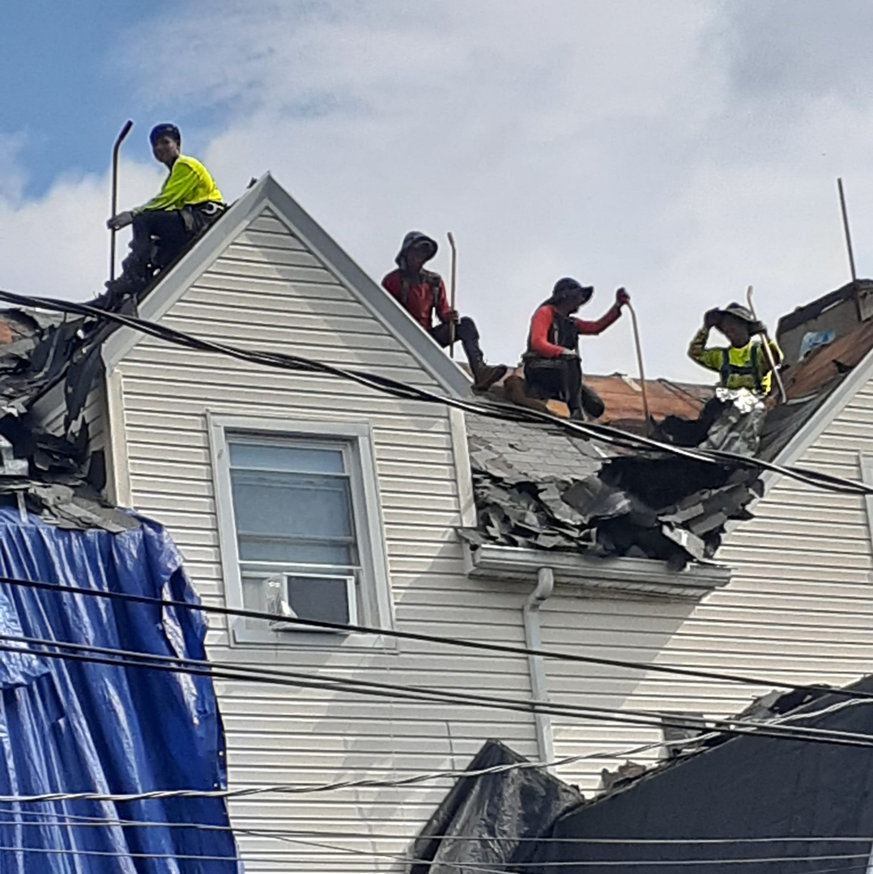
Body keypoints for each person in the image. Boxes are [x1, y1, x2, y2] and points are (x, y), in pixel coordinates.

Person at [105, 124, 225, 298]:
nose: (159, 148)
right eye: (155, 145)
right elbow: (169, 207)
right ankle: (124, 287)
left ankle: (136, 275)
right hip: (189, 219)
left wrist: (133, 215)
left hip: (202, 216)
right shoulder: (174, 173)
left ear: (177, 144)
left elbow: (167, 200)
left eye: (165, 142)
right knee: (157, 252)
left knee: (144, 220)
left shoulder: (186, 165)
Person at [382, 232, 507, 390]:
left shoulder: (433, 282)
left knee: (465, 325)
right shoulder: (393, 281)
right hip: (403, 338)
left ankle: (480, 371)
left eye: (423, 253)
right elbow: (386, 311)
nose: (419, 257)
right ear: (406, 253)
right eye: (416, 252)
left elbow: (443, 311)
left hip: (427, 338)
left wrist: (450, 317)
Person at [523, 278, 630, 420]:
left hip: (564, 371)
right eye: (579, 295)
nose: (581, 299)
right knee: (572, 360)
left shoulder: (571, 323)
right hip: (539, 368)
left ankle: (580, 410)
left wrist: (617, 306)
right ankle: (576, 412)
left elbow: (595, 327)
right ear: (566, 296)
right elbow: (537, 342)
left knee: (595, 406)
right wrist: (561, 352)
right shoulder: (545, 312)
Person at [688, 303, 783, 395]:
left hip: (758, 403)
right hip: (730, 405)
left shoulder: (759, 351)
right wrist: (706, 328)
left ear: (745, 327)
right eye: (727, 327)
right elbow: (696, 353)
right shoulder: (721, 356)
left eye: (734, 325)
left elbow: (775, 361)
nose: (730, 331)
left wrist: (765, 337)